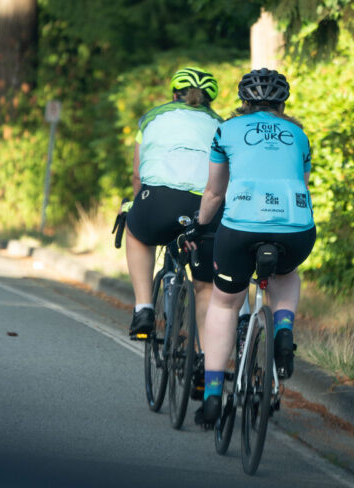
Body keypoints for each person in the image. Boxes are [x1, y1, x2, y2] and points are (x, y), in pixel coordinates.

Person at [185, 68, 316, 424]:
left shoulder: (225, 130)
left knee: (225, 303)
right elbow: (302, 184)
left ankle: (212, 395)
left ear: (244, 101)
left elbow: (214, 193)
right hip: (296, 227)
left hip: (241, 225)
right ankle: (284, 328)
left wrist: (199, 225)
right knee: (286, 275)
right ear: (282, 102)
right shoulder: (300, 135)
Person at [125, 67, 224, 359]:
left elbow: (136, 174)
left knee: (136, 232)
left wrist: (139, 204)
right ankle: (204, 365)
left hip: (158, 198)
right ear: (210, 100)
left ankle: (143, 308)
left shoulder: (152, 117)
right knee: (205, 287)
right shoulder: (221, 124)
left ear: (174, 94)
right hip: (205, 207)